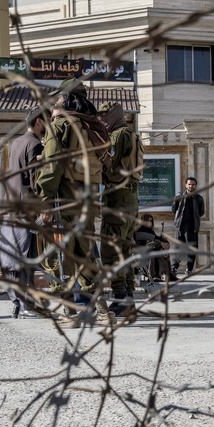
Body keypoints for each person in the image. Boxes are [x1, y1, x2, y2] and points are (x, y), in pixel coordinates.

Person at [35, 78, 110, 328]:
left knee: (59, 257)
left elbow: (52, 166)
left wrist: (45, 203)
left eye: (57, 98)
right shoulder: (92, 126)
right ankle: (102, 312)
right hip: (87, 199)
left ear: (65, 99)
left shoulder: (60, 125)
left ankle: (69, 314)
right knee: (85, 254)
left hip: (63, 199)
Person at [0, 106, 48, 319]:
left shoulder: (16, 143)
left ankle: (17, 302)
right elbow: (34, 180)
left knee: (13, 257)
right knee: (26, 258)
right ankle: (26, 304)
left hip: (11, 207)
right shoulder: (35, 145)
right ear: (38, 122)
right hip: (26, 209)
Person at [98, 101, 143, 318]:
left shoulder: (118, 136)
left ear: (116, 115)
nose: (102, 120)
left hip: (118, 197)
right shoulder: (132, 135)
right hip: (130, 197)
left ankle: (120, 299)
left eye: (105, 116)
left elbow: (110, 165)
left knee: (112, 249)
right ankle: (128, 299)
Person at [172, 177, 204, 275]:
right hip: (180, 226)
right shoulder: (179, 196)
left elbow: (201, 212)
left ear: (196, 186)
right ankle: (174, 268)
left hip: (192, 227)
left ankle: (189, 269)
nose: (191, 186)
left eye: (193, 184)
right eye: (189, 184)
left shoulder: (199, 198)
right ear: (186, 185)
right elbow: (174, 209)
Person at [134, 213, 178, 282]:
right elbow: (147, 237)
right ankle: (153, 275)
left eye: (151, 221)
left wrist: (165, 242)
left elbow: (157, 238)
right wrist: (160, 242)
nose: (149, 223)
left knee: (162, 251)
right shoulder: (139, 230)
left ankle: (168, 274)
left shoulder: (151, 231)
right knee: (153, 250)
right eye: (147, 221)